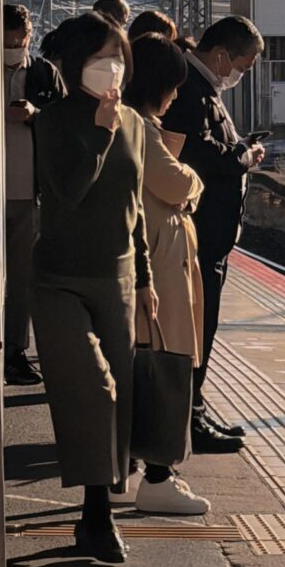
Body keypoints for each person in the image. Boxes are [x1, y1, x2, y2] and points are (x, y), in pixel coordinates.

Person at [31, 11, 156, 565]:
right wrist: (101, 133)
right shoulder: (55, 121)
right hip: (59, 278)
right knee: (92, 388)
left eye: (119, 59)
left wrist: (147, 277)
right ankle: (99, 516)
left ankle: (93, 510)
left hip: (120, 277)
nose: (113, 69)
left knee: (119, 401)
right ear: (74, 62)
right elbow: (70, 191)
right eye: (101, 58)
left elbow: (135, 210)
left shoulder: (134, 122)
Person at [163, 16, 265, 453]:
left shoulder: (203, 89)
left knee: (202, 328)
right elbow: (199, 153)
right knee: (196, 330)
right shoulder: (189, 88)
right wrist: (243, 155)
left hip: (211, 234)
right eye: (245, 62)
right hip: (200, 232)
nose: (244, 73)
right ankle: (190, 419)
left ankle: (196, 411)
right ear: (222, 55)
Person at [122, 33, 211, 515]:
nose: (175, 96)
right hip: (158, 264)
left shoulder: (130, 122)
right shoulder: (140, 126)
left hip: (153, 258)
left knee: (149, 365)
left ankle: (134, 467)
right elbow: (173, 182)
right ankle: (159, 476)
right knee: (166, 365)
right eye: (172, 87)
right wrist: (194, 178)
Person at [1, 5, 63, 385]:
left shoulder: (42, 73)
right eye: (6, 42)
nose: (12, 48)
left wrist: (36, 114)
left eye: (18, 41)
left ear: (29, 36)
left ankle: (15, 350)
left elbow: (65, 121)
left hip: (29, 191)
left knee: (22, 277)